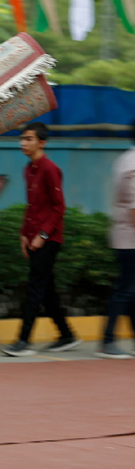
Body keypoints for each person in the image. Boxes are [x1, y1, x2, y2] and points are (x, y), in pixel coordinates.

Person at [2, 122, 79, 357]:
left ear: (41, 143)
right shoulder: (29, 169)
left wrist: (42, 235)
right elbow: (32, 207)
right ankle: (67, 335)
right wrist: (24, 234)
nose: (23, 143)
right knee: (46, 290)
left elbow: (59, 207)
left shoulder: (50, 169)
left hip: (49, 239)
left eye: (29, 139)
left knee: (35, 288)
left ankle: (23, 341)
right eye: (22, 139)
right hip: (34, 238)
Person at [97, 120, 135, 359]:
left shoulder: (125, 159)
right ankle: (107, 341)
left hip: (124, 236)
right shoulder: (133, 165)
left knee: (129, 291)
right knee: (124, 291)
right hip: (130, 238)